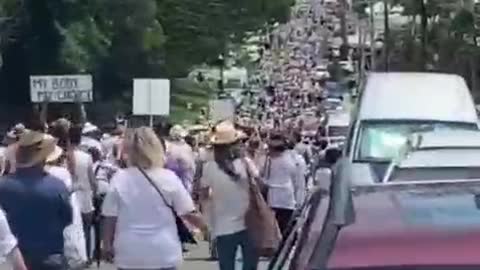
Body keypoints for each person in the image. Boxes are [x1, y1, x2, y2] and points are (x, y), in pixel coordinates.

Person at [102, 127, 206, 270]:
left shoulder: (120, 178)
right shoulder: (168, 178)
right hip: (163, 252)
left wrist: (106, 245)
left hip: (129, 254)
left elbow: (109, 217)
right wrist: (208, 229)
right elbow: (188, 212)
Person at [0, 131, 72, 270]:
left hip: (14, 259)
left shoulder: (3, 186)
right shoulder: (57, 186)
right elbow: (67, 219)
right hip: (50, 257)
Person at [200, 121, 259, 270]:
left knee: (226, 267)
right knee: (250, 266)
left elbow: (204, 197)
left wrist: (207, 222)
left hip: (222, 226)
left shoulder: (209, 168)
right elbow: (259, 184)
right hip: (250, 223)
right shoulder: (245, 163)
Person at [69, 125, 97, 263]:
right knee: (86, 229)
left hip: (71, 197)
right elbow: (92, 180)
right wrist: (95, 191)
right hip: (85, 197)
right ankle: (87, 256)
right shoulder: (86, 157)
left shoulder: (63, 156)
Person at [263, 133, 300, 236]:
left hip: (273, 198)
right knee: (284, 230)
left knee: (274, 230)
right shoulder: (292, 159)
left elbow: (265, 179)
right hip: (287, 199)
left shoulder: (270, 161)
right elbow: (296, 180)